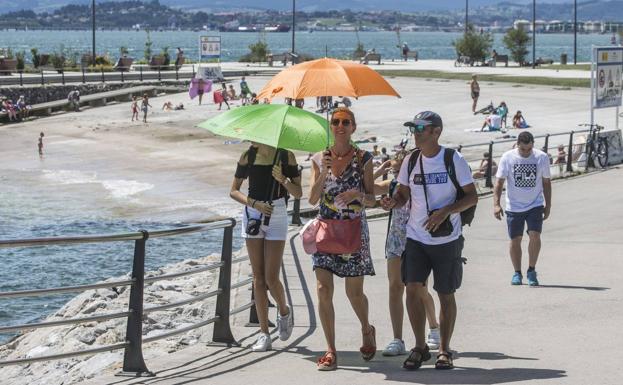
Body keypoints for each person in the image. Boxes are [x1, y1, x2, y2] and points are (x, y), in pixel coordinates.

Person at [380, 111, 477, 371]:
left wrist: (446, 211)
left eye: (421, 128)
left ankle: (444, 350)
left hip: (447, 239)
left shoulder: (452, 159)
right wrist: (393, 201)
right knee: (412, 289)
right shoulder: (411, 160)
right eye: (414, 128)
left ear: (437, 132)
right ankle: (420, 347)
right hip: (416, 237)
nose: (416, 132)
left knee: (445, 294)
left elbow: (472, 196)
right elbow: (402, 193)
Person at [309, 107, 377, 371]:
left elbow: (372, 199)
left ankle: (366, 328)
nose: (340, 126)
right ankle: (330, 350)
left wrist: (356, 196)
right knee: (323, 289)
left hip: (353, 231)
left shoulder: (364, 159)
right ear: (330, 126)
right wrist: (324, 173)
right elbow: (312, 199)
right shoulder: (318, 159)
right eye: (335, 121)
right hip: (325, 231)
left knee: (354, 293)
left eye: (345, 122)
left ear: (353, 128)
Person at [230, 142, 302, 352]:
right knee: (258, 277)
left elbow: (298, 193)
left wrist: (283, 179)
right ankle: (264, 333)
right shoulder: (248, 156)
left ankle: (284, 311)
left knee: (271, 277)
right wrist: (254, 204)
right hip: (253, 212)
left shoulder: (286, 155)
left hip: (277, 212)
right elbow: (234, 191)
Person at [374, 151, 442, 357]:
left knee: (420, 289)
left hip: (418, 240)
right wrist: (380, 169)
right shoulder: (393, 185)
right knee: (395, 287)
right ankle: (397, 339)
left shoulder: (420, 186)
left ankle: (434, 328)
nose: (396, 174)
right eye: (393, 170)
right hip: (395, 240)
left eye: (398, 169)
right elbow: (367, 186)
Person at [493, 131, 552, 286]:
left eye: (529, 149)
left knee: (535, 236)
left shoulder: (541, 157)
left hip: (535, 204)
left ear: (533, 145)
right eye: (523, 150)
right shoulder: (508, 157)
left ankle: (531, 270)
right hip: (514, 206)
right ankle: (517, 272)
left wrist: (548, 205)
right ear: (517, 145)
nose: (526, 153)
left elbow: (546, 183)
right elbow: (499, 182)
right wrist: (496, 204)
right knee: (515, 239)